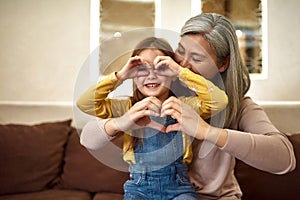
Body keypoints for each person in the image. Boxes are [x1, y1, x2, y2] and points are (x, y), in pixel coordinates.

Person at [79, 13, 296, 200]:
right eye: (180, 52)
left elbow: (284, 159)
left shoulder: (238, 106)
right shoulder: (156, 96)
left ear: (222, 64)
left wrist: (207, 131)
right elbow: (88, 136)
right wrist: (120, 119)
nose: (182, 64)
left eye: (197, 58)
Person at [77, 36, 228, 200]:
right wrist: (119, 76)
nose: (151, 75)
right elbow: (85, 103)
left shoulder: (184, 106)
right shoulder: (127, 108)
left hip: (179, 188)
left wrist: (181, 71)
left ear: (172, 75)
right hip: (139, 189)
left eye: (161, 68)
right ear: (133, 75)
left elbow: (219, 101)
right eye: (142, 69)